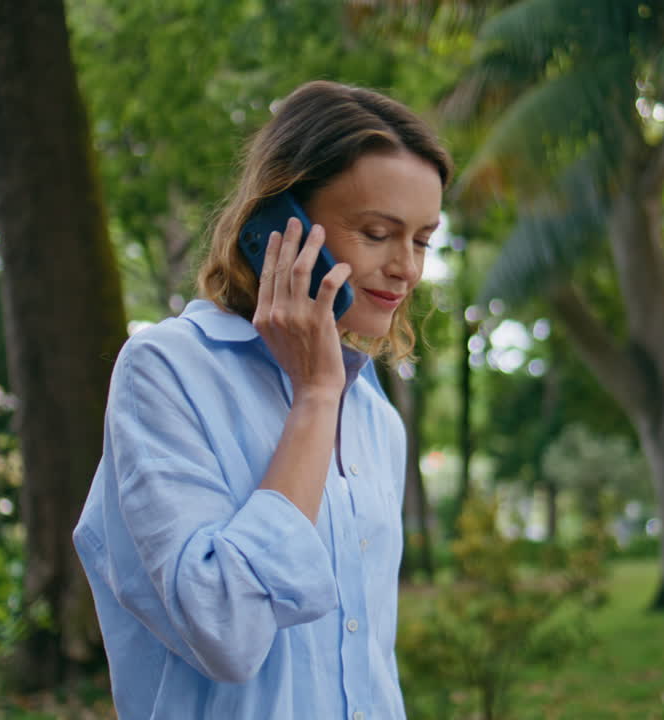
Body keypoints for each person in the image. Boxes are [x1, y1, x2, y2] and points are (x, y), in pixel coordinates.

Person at [73, 80, 451, 720]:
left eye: (421, 240)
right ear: (282, 226)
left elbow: (368, 666)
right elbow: (224, 629)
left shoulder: (374, 416)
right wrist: (313, 401)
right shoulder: (165, 373)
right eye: (379, 233)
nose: (406, 269)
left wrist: (329, 391)